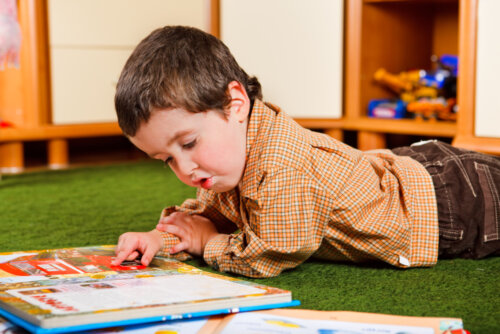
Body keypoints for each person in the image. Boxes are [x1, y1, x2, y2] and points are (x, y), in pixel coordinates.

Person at [111, 26, 500, 278]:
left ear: (235, 103)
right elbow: (214, 213)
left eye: (189, 144)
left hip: (453, 202)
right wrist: (164, 237)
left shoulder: (281, 166)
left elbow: (272, 250)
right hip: (411, 169)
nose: (185, 169)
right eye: (166, 160)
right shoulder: (226, 156)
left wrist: (206, 243)